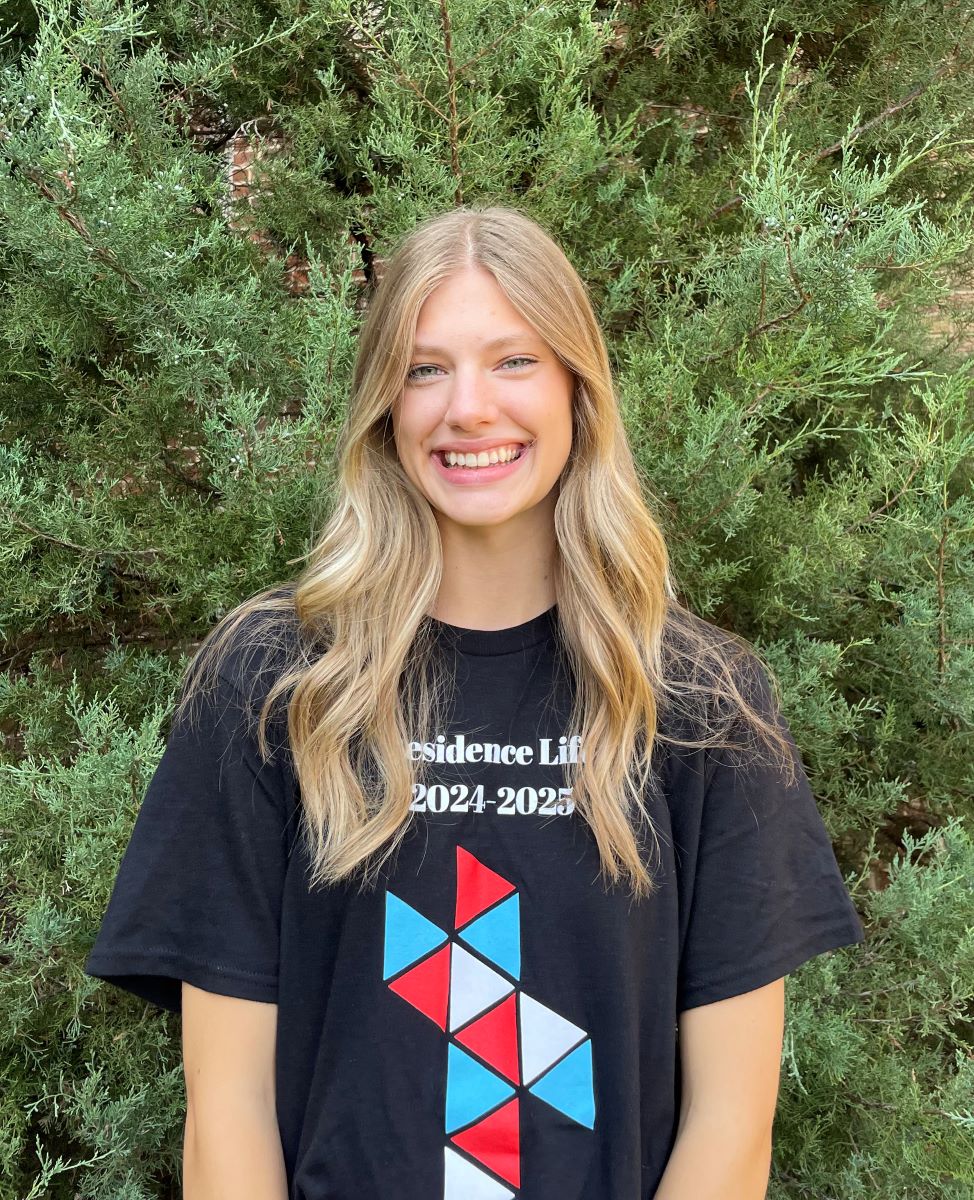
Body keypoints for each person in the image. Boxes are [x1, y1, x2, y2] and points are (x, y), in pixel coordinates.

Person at [84, 204, 865, 1200]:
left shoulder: (699, 702)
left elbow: (731, 1120)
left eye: (512, 361)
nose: (467, 409)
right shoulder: (273, 685)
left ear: (578, 392)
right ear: (383, 406)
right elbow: (225, 1105)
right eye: (424, 368)